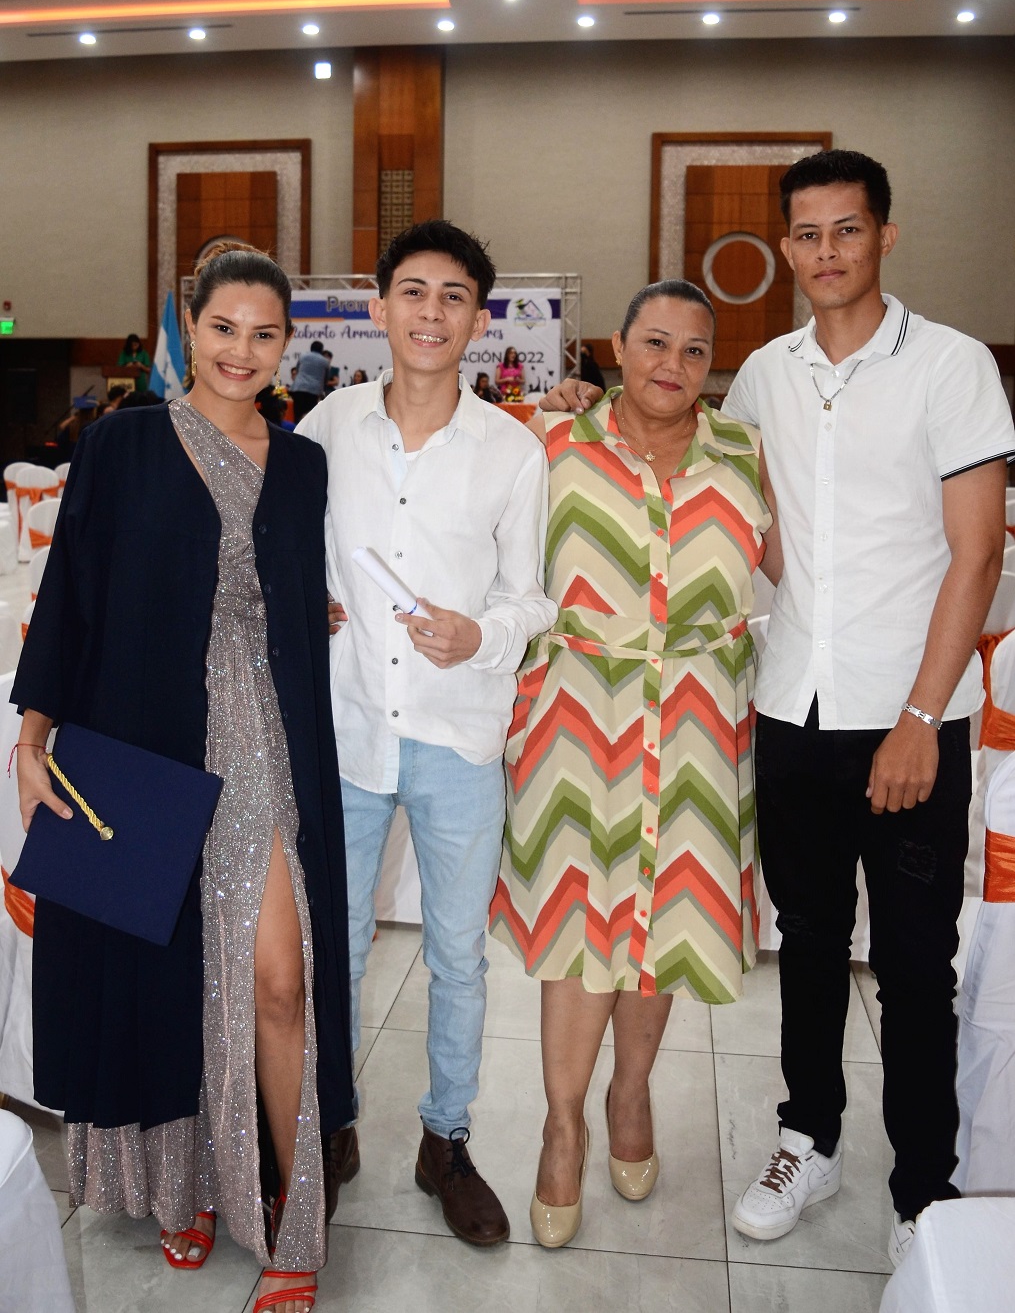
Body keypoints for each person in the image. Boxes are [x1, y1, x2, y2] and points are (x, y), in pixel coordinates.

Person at [541, 149, 1015, 1266]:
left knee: (908, 965)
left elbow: (976, 552)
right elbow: (688, 476)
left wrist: (917, 715)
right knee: (803, 943)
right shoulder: (759, 378)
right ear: (786, 248)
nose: (826, 252)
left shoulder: (949, 368)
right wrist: (574, 400)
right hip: (787, 711)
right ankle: (809, 1135)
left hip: (908, 716)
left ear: (884, 236)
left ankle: (923, 1185)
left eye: (846, 230)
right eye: (806, 234)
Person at [14, 242, 354, 1313]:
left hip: (269, 736)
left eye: (264, 334)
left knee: (278, 980)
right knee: (159, 971)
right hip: (139, 734)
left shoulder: (302, 462)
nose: (242, 351)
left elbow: (288, 591)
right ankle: (187, 1184)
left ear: (284, 343)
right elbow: (70, 590)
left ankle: (295, 1219)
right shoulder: (120, 445)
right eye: (223, 328)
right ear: (185, 325)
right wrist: (32, 739)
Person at [490, 279, 774, 1247]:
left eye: (695, 351)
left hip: (696, 718)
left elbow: (806, 573)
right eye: (654, 343)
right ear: (615, 346)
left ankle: (630, 1091)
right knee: (579, 926)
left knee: (662, 927)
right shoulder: (550, 445)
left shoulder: (743, 454)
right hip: (576, 712)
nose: (672, 365)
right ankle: (561, 1124)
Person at [297, 219, 556, 1247]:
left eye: (453, 296)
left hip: (456, 734)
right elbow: (292, 550)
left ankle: (445, 1138)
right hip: (349, 721)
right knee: (340, 946)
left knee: (458, 953)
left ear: (479, 320)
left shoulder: (510, 449)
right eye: (413, 292)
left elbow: (531, 601)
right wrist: (305, 597)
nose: (431, 312)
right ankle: (334, 1123)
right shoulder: (326, 427)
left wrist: (478, 632)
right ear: (379, 307)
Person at [289, 339, 330, 422]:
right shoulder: (325, 362)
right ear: (321, 350)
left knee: (297, 414)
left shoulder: (303, 356)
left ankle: (295, 432)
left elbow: (297, 370)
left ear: (311, 348)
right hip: (313, 391)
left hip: (299, 388)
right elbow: (326, 378)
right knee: (309, 416)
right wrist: (324, 391)